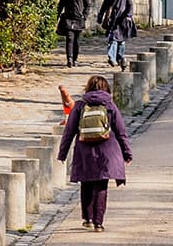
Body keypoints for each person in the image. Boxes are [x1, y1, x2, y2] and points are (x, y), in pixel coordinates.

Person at [57, 75, 132, 233]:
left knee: (86, 183)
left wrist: (62, 154)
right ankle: (99, 222)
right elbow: (121, 131)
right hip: (107, 151)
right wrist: (127, 153)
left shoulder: (79, 105)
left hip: (85, 150)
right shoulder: (110, 105)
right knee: (101, 186)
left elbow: (69, 132)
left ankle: (87, 218)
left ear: (88, 87)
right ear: (106, 88)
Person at [97, 0, 137, 71]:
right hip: (112, 19)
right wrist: (100, 15)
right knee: (113, 39)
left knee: (121, 41)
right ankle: (112, 58)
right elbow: (105, 5)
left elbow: (130, 5)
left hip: (122, 20)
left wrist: (128, 15)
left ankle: (120, 58)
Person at [57, 0, 92, 67]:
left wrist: (84, 16)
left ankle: (75, 58)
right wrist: (57, 16)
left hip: (79, 20)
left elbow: (88, 5)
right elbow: (61, 5)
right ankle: (69, 58)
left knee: (76, 41)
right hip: (68, 19)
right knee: (69, 38)